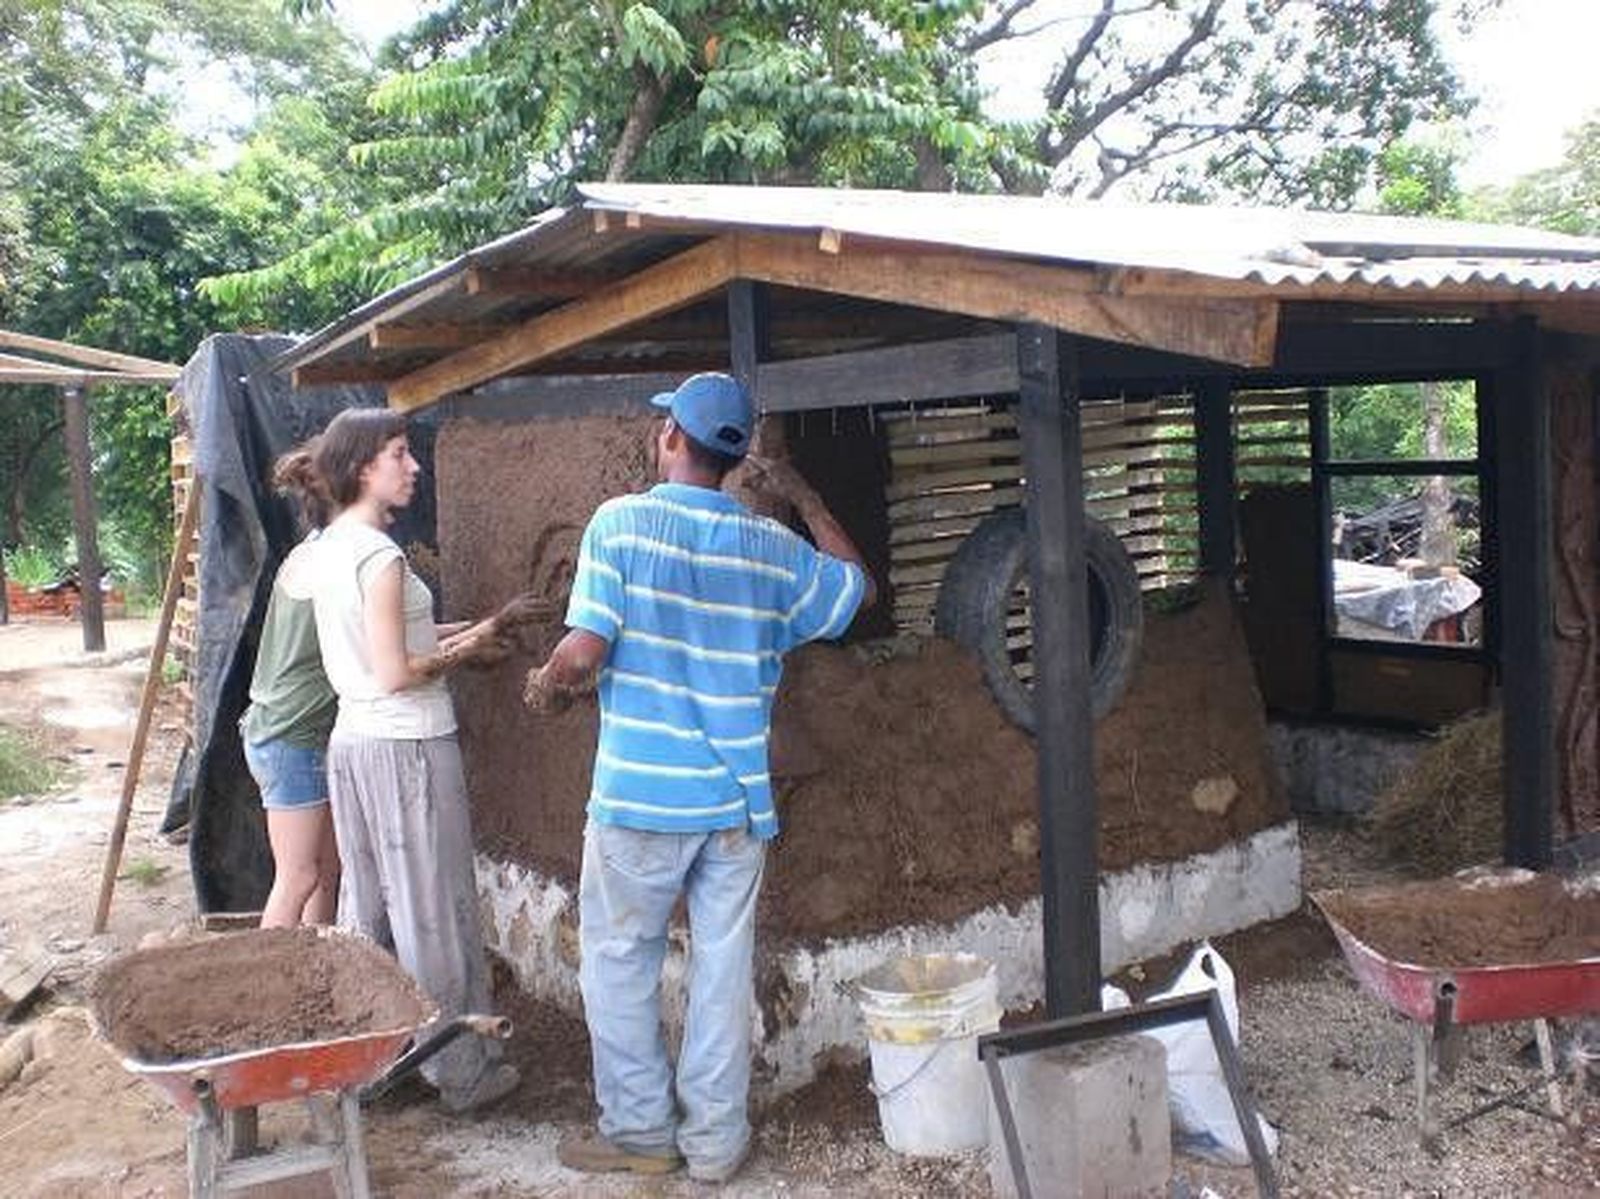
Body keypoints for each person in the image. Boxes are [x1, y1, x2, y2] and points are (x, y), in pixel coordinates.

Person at [525, 372, 876, 1182]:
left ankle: (642, 1131)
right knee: (722, 969)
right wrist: (805, 497)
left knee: (618, 961)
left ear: (671, 439)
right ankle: (716, 1146)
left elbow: (584, 650)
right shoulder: (769, 546)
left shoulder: (621, 524)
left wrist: (547, 680)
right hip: (733, 807)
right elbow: (854, 590)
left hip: (641, 800)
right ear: (734, 459)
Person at [289, 407, 545, 1114]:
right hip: (406, 746)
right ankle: (465, 1071)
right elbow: (398, 670)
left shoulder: (329, 547)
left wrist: (478, 626)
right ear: (362, 466)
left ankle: (369, 1066)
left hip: (354, 745)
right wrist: (486, 633)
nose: (414, 466)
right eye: (400, 454)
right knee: (435, 912)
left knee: (367, 909)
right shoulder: (381, 555)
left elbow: (383, 639)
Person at [240, 454, 340, 929]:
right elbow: (389, 644)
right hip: (292, 738)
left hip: (288, 732)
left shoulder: (309, 551)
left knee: (324, 872)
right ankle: (265, 990)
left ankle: (317, 972)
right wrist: (477, 633)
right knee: (299, 876)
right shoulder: (335, 561)